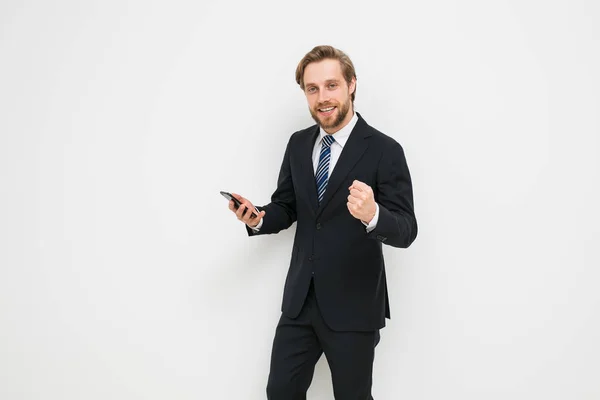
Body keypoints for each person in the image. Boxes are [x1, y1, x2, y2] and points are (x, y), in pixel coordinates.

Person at [227, 45, 418, 399]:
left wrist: (373, 215)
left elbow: (407, 229)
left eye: (331, 85)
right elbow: (287, 206)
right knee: (280, 391)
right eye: (312, 89)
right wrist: (258, 218)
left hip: (354, 304)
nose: (322, 97)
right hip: (300, 302)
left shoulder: (384, 150)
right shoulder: (299, 144)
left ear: (351, 85)